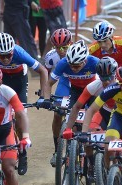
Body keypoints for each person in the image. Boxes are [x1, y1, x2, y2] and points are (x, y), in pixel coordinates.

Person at [0, 32, 49, 175]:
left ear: (13, 51)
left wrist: (43, 97)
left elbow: (43, 71)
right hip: (1, 79)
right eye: (2, 56)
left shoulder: (20, 53)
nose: (6, 59)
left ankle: (23, 153)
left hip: (19, 80)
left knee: (20, 117)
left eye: (9, 55)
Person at [62, 57, 119, 176]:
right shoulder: (93, 86)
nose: (107, 82)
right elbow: (77, 107)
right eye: (103, 78)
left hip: (120, 115)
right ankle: (92, 164)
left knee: (119, 143)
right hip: (103, 112)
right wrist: (68, 128)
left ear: (115, 74)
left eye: (110, 78)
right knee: (88, 136)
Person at [43, 28, 73, 166]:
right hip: (65, 83)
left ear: (71, 43)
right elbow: (46, 77)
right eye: (57, 48)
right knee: (57, 113)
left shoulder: (82, 53)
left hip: (82, 83)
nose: (61, 51)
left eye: (64, 47)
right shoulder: (50, 57)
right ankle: (57, 150)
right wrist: (45, 96)